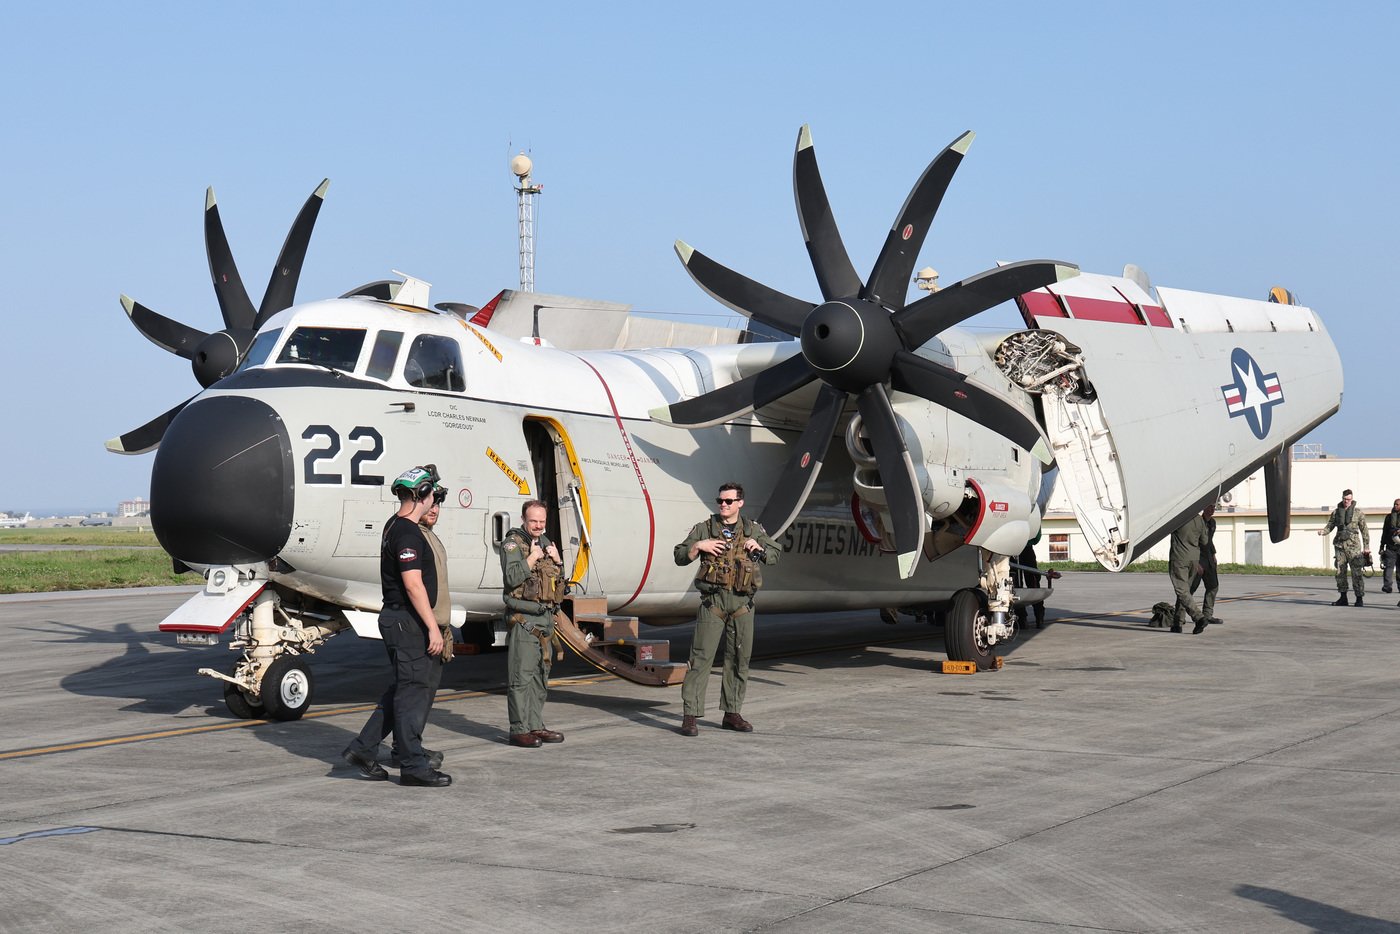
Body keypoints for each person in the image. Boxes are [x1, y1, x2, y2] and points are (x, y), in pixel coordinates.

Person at [343, 465, 451, 787]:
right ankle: (413, 766)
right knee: (412, 694)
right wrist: (433, 627)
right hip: (408, 622)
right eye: (431, 494)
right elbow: (414, 584)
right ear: (420, 495)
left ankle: (363, 749)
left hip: (398, 620)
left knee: (402, 692)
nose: (434, 501)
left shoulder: (394, 525)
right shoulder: (407, 532)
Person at [673, 482, 781, 736]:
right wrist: (699, 546)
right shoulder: (705, 529)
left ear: (740, 503)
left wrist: (760, 549)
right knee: (700, 660)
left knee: (739, 661)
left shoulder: (753, 529)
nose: (723, 505)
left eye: (729, 501)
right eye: (720, 500)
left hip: (743, 605)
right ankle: (690, 716)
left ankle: (732, 713)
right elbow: (679, 555)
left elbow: (776, 555)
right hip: (714, 603)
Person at [501, 499, 566, 748]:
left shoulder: (547, 543)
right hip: (524, 618)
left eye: (541, 521)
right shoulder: (513, 543)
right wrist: (532, 558)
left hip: (546, 617)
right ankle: (519, 729)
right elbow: (511, 578)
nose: (538, 526)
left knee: (541, 675)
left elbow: (556, 584)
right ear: (523, 520)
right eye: (533, 521)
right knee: (521, 676)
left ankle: (535, 724)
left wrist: (558, 561)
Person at [1318, 489, 1370, 606]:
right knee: (1340, 572)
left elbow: (1364, 530)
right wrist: (1323, 532)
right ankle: (1343, 597)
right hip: (1340, 546)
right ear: (1342, 498)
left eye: (1349, 499)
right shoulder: (1336, 513)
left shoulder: (1358, 513)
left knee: (1356, 573)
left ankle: (1359, 598)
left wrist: (1366, 546)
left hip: (1354, 547)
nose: (1346, 501)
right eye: (1345, 499)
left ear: (1352, 499)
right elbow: (1330, 525)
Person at [1168, 508, 1213, 635]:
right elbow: (1204, 541)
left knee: (1182, 591)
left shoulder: (1179, 517)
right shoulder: (1199, 520)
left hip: (1180, 557)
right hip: (1194, 559)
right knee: (1185, 591)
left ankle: (1198, 617)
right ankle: (1177, 623)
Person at [1189, 503, 1224, 625]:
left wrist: (1213, 554)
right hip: (1198, 559)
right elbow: (1193, 543)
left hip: (1208, 558)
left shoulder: (1212, 523)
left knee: (1213, 586)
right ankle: (1180, 617)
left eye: (1213, 507)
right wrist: (1195, 562)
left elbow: (1209, 541)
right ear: (1204, 508)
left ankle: (1207, 615)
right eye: (1209, 507)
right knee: (1189, 589)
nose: (1211, 510)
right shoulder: (1198, 522)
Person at [1380, 498, 1400, 595]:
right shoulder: (1388, 517)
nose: (1395, 506)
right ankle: (1387, 586)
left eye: (1397, 504)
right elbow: (1384, 532)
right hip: (1390, 547)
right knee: (1388, 567)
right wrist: (1381, 546)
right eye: (1394, 504)